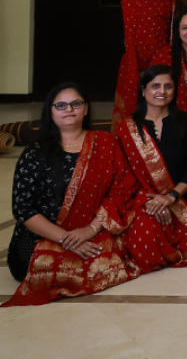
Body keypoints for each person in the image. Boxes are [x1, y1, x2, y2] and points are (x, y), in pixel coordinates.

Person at [6, 85, 141, 305]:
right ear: (50, 111)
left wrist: (90, 229)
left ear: (86, 109)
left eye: (76, 104)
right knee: (74, 263)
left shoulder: (106, 143)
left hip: (91, 231)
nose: (69, 109)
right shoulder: (35, 154)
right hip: (42, 238)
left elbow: (121, 191)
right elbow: (23, 209)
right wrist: (66, 240)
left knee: (122, 249)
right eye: (60, 105)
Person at [116, 66, 187, 271]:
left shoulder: (186, 122)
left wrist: (170, 197)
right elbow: (124, 176)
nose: (162, 91)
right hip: (144, 202)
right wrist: (150, 201)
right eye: (155, 86)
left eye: (168, 86)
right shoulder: (127, 128)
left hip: (182, 198)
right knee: (144, 243)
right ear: (143, 90)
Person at [112, 0, 176, 129]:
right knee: (137, 112)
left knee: (163, 111)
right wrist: (133, 67)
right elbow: (129, 32)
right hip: (136, 61)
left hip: (164, 60)